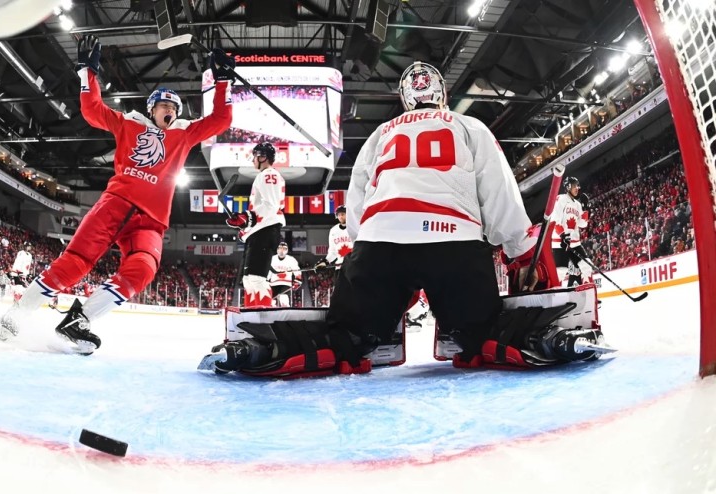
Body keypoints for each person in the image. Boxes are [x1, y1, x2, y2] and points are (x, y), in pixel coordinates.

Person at [208, 62, 607, 377]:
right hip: (455, 246)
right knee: (478, 334)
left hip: (381, 245)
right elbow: (499, 198)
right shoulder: (469, 126)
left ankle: (260, 349)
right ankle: (553, 340)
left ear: (405, 100)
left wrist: (367, 256)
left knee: (346, 338)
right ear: (443, 96)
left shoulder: (381, 133)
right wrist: (520, 251)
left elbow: (357, 210)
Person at [0, 35, 234, 352]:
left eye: (173, 107)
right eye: (163, 105)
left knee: (144, 268)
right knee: (76, 263)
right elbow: (92, 110)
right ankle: (17, 314)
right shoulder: (129, 123)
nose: (168, 110)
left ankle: (79, 320)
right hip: (116, 203)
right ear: (151, 109)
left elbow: (222, 119)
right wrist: (87, 72)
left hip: (150, 221)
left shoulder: (185, 133)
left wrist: (223, 81)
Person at [225, 142, 285, 307]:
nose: (253, 160)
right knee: (248, 280)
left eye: (255, 156)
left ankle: (264, 318)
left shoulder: (268, 174)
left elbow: (271, 206)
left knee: (257, 279)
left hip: (266, 231)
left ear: (263, 157)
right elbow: (261, 211)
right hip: (259, 231)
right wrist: (246, 228)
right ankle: (252, 316)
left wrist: (247, 217)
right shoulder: (265, 175)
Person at [550, 176, 592, 286]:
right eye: (574, 186)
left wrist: (585, 208)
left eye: (578, 186)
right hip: (560, 242)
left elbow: (583, 224)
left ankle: (589, 293)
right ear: (568, 187)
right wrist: (562, 235)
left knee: (586, 266)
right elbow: (555, 219)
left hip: (574, 242)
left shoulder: (577, 204)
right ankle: (555, 294)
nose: (577, 188)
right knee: (561, 271)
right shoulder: (561, 199)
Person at [314, 204, 353, 278]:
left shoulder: (355, 227)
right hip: (340, 267)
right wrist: (325, 262)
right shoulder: (333, 231)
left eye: (343, 214)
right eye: (338, 215)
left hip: (354, 266)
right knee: (339, 289)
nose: (340, 216)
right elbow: (333, 252)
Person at [268, 242, 301, 307]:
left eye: (284, 249)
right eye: (280, 248)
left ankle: (286, 315)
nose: (282, 251)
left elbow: (297, 271)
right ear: (277, 250)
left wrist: (297, 280)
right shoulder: (272, 259)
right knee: (271, 303)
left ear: (287, 251)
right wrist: (266, 280)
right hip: (274, 283)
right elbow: (268, 272)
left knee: (284, 301)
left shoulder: (291, 259)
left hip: (285, 284)